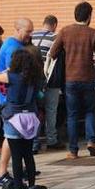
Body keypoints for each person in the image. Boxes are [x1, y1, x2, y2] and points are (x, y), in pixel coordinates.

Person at [0, 48, 41, 189]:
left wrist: (8, 69)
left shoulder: (11, 77)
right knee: (28, 155)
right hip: (31, 117)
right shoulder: (34, 78)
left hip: (13, 118)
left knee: (16, 158)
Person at [49, 2, 95, 159]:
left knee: (72, 114)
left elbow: (52, 53)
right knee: (90, 111)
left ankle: (73, 150)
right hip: (88, 78)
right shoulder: (93, 33)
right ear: (89, 16)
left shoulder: (65, 31)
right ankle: (91, 141)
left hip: (70, 79)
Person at [0, 18, 34, 186]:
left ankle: (5, 171)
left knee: (12, 136)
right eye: (28, 31)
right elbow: (14, 74)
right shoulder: (13, 48)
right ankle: (2, 172)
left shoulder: (13, 45)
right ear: (18, 30)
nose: (30, 35)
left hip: (12, 100)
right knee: (11, 136)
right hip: (12, 101)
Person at [31, 15, 63, 151]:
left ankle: (34, 142)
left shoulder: (32, 36)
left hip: (33, 79)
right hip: (50, 79)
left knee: (35, 110)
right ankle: (51, 140)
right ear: (54, 25)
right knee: (51, 110)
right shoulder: (55, 37)